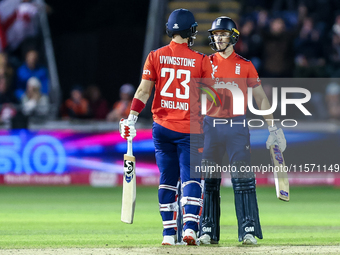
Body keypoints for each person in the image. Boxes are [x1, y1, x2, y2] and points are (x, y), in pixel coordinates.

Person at [119, 9, 213, 246]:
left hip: (162, 128)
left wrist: (131, 118)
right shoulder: (201, 61)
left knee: (167, 180)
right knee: (192, 179)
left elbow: (142, 91)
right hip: (190, 128)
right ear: (191, 31)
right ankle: (190, 229)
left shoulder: (155, 56)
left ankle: (168, 235)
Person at [199, 16, 287, 245]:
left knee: (243, 179)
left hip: (237, 127)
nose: (218, 38)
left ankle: (248, 229)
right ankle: (207, 229)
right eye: (215, 34)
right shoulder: (204, 63)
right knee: (209, 180)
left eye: (223, 34)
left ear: (233, 37)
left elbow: (261, 99)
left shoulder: (245, 65)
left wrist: (273, 128)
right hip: (211, 126)